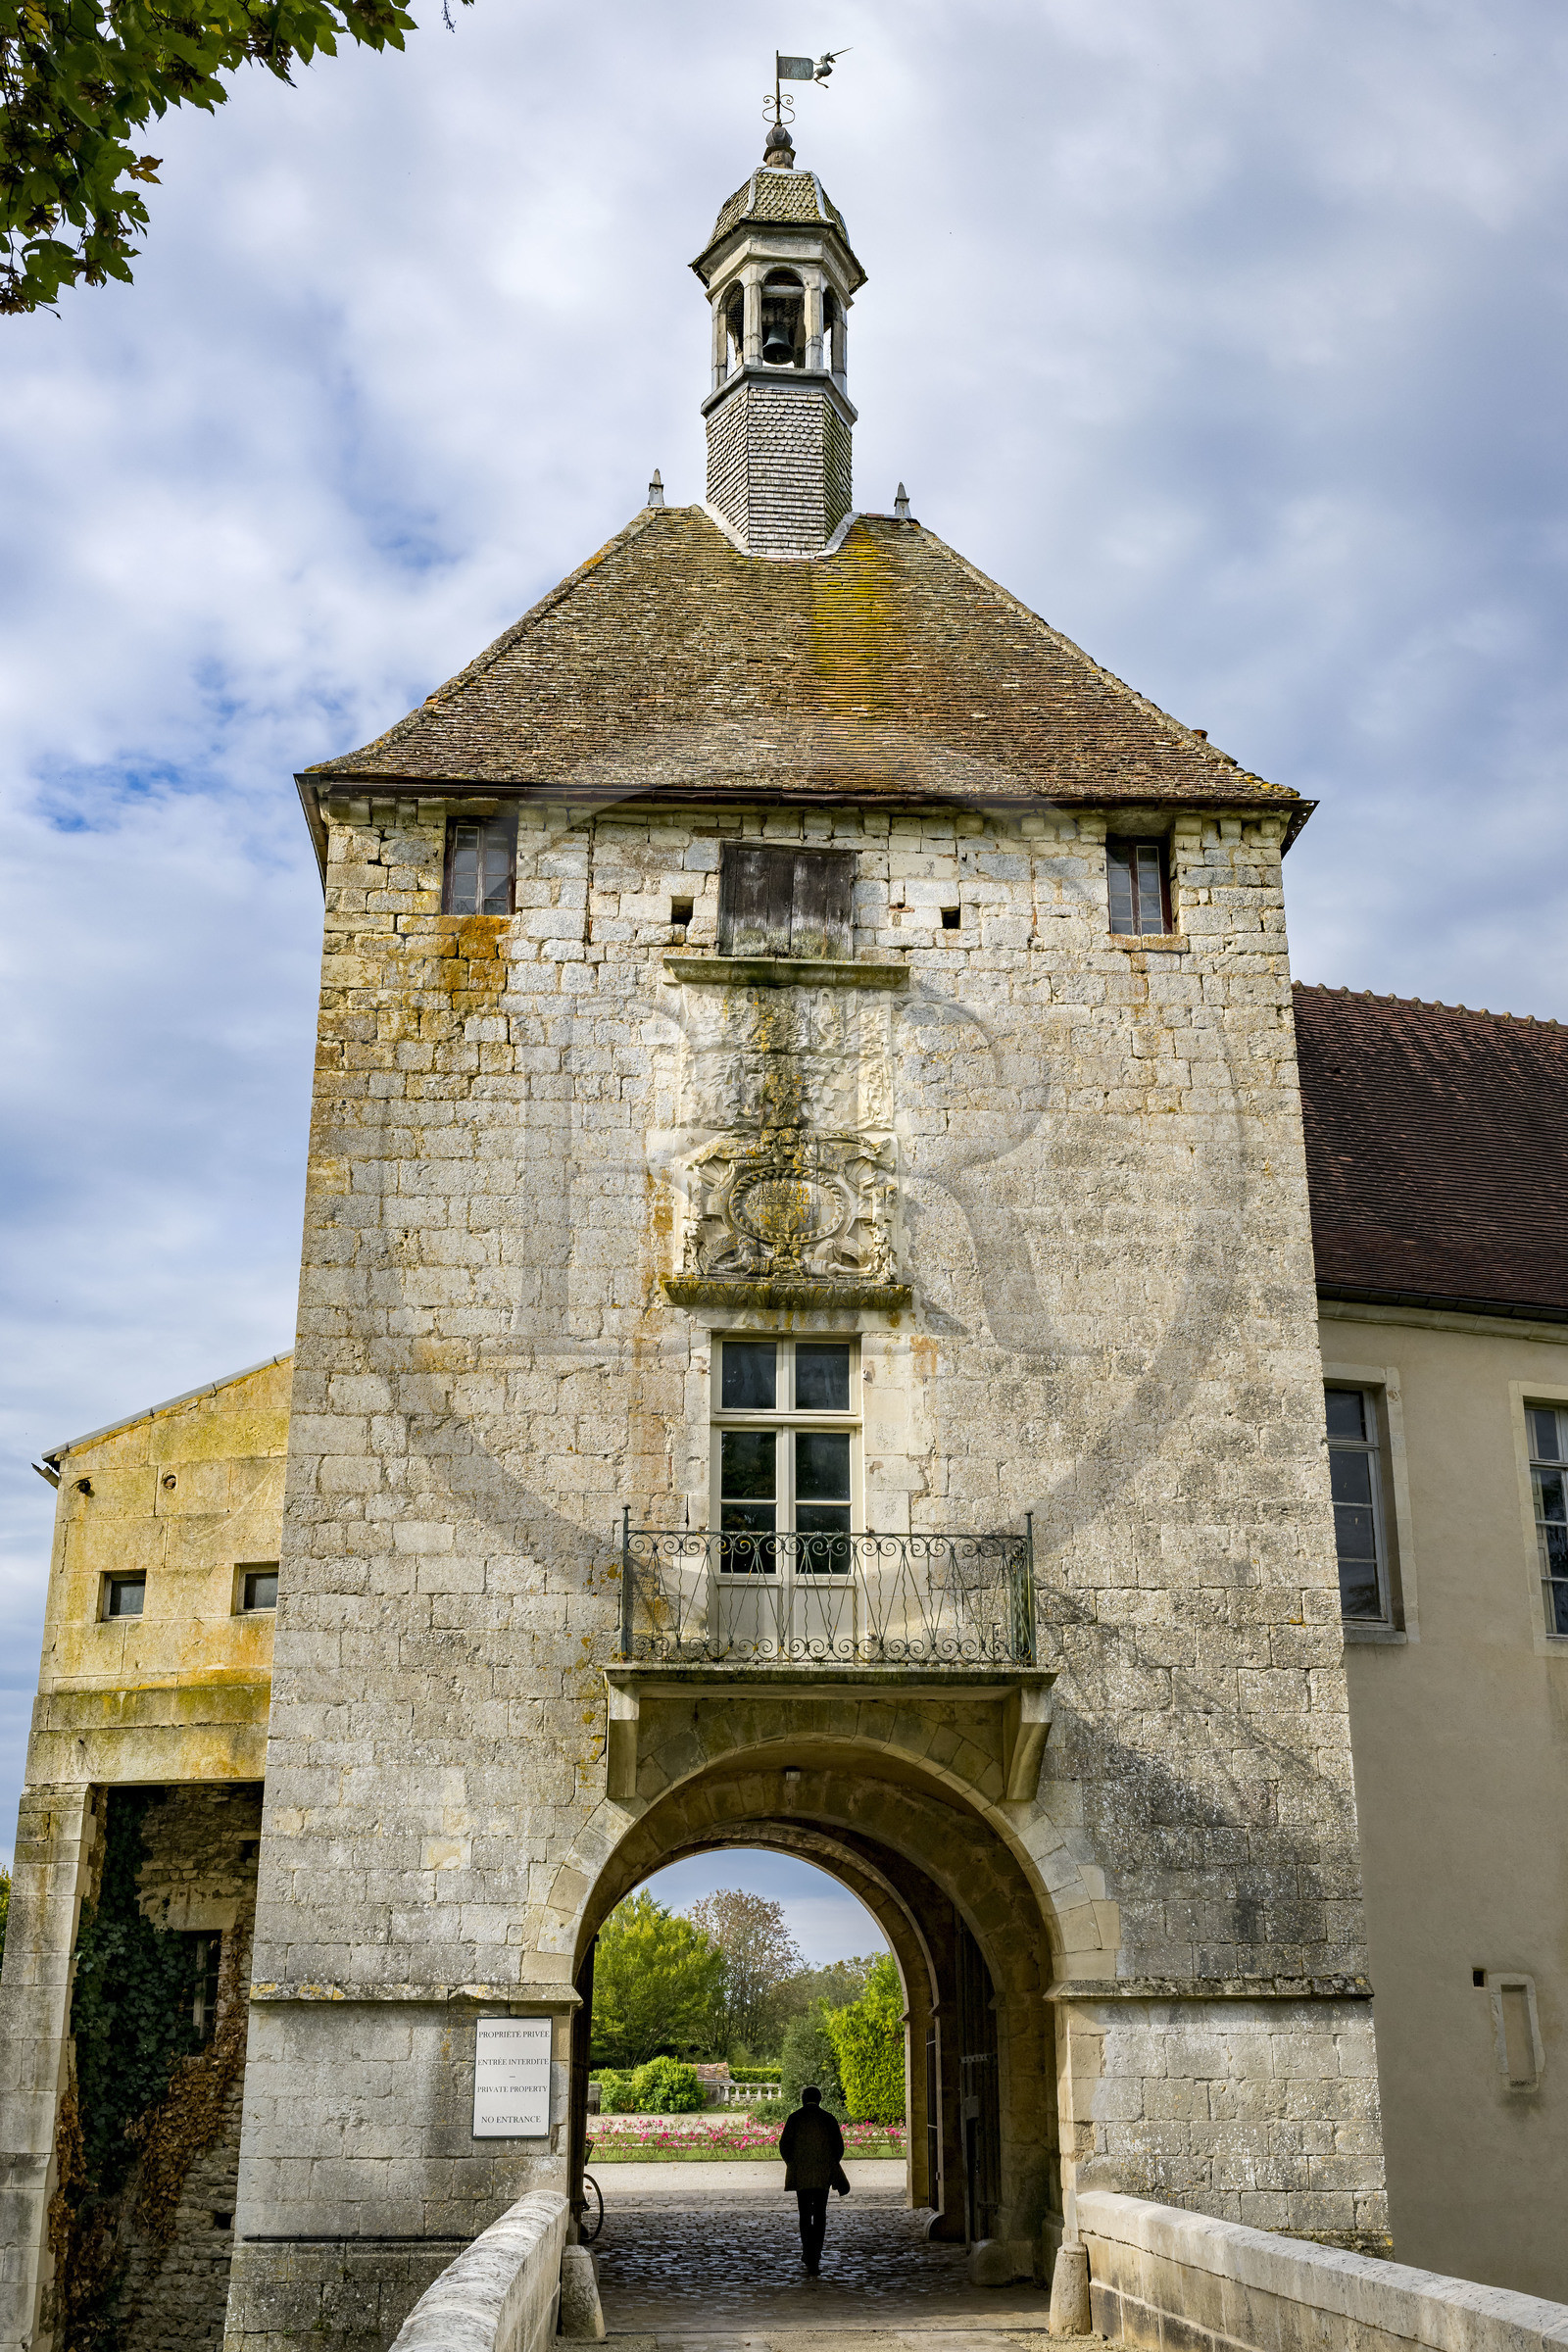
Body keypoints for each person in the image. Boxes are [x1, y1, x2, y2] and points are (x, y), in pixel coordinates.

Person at [778, 2084, 847, 2276]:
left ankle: (807, 2252)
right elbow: (838, 2147)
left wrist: (792, 2163)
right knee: (820, 2215)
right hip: (822, 2175)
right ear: (819, 2099)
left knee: (805, 2215)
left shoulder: (795, 2118)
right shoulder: (828, 2118)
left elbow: (784, 2145)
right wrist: (831, 2165)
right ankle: (816, 2254)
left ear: (803, 2099)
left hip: (802, 2175)